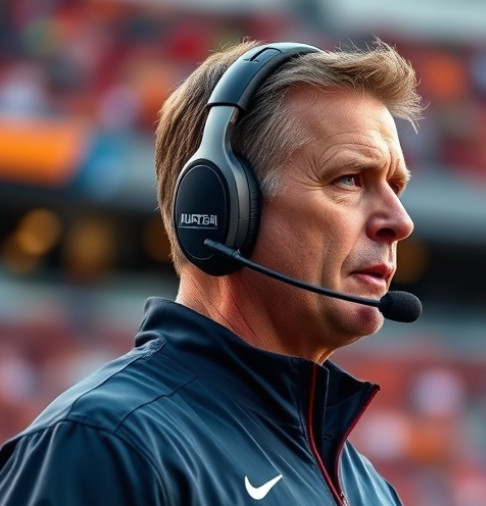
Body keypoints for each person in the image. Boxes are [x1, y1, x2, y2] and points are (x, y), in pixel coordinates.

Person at [0, 38, 422, 505]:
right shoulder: (109, 445)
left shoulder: (371, 490)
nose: (400, 221)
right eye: (348, 179)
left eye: (396, 186)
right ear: (222, 207)